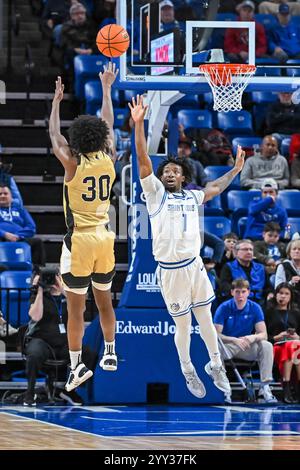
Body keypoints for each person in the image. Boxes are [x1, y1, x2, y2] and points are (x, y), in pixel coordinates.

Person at [128, 95, 246, 399]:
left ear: (183, 177)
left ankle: (215, 364)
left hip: (194, 267)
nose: (168, 173)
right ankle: (187, 368)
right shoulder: (155, 195)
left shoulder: (192, 197)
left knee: (205, 319)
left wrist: (235, 170)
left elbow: (215, 188)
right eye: (165, 170)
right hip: (171, 271)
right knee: (183, 326)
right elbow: (142, 160)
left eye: (173, 171)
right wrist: (139, 124)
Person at [49, 62, 119, 392]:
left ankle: (76, 366)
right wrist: (106, 88)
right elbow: (108, 122)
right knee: (105, 302)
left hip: (79, 241)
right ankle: (109, 353)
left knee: (75, 309)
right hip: (106, 237)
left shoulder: (72, 163)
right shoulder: (109, 155)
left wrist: (56, 103)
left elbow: (54, 137)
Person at [23, 271, 95, 406]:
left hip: (63, 344)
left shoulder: (67, 297)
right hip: (42, 341)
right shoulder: (39, 296)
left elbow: (81, 307)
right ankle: (30, 392)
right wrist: (39, 290)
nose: (52, 281)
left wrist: (62, 289)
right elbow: (35, 316)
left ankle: (71, 391)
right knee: (34, 353)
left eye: (55, 277)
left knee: (88, 354)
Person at [214, 278, 277, 403]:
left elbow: (263, 334)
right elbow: (216, 334)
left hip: (247, 346)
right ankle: (224, 388)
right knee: (215, 349)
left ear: (248, 292)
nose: (240, 295)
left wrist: (252, 337)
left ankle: (265, 387)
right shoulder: (224, 308)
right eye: (237, 292)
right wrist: (234, 340)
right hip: (228, 346)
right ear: (232, 292)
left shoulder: (255, 308)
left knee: (266, 345)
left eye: (243, 292)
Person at [265, 282, 300, 403]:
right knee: (292, 346)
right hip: (275, 346)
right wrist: (277, 337)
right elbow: (262, 336)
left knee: (294, 344)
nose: (283, 296)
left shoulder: (296, 313)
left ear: (291, 297)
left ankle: (296, 387)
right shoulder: (268, 313)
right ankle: (287, 388)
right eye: (280, 293)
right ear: (276, 295)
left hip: (295, 346)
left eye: (286, 294)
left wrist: (297, 336)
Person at [0, 184, 46, 267]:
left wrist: (18, 236)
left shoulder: (20, 209)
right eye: (0, 194)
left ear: (11, 196)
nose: (3, 196)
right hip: (1, 238)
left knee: (37, 242)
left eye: (5, 193)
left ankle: (37, 272)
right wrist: (5, 234)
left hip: (19, 238)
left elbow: (31, 227)